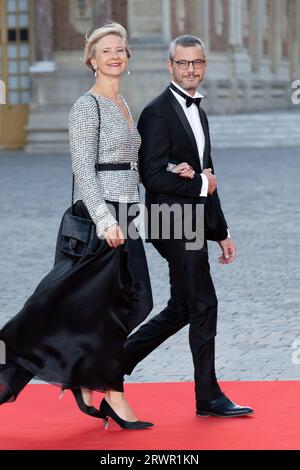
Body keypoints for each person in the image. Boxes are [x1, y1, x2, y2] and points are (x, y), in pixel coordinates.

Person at [0, 22, 153, 430]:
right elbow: (83, 170)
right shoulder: (87, 106)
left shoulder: (122, 103)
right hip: (103, 221)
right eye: (106, 51)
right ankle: (110, 393)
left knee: (130, 304)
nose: (115, 55)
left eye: (120, 49)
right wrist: (105, 220)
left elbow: (129, 164)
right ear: (91, 59)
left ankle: (90, 379)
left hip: (128, 215)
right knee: (66, 310)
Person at [123, 35, 253, 418]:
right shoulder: (156, 111)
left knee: (182, 307)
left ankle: (113, 361)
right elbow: (151, 175)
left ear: (204, 65)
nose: (190, 69)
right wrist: (197, 182)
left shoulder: (199, 111)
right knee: (204, 302)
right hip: (169, 219)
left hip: (192, 220)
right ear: (170, 66)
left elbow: (208, 175)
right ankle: (208, 396)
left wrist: (222, 232)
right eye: (183, 63)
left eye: (196, 63)